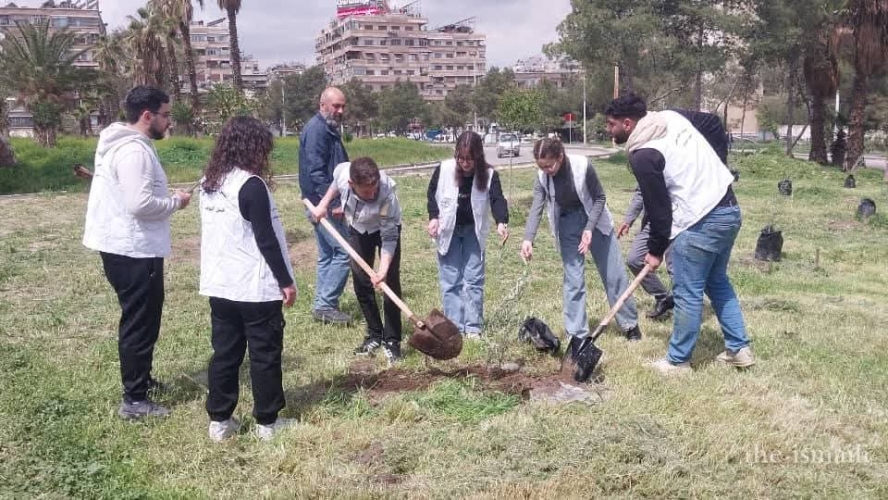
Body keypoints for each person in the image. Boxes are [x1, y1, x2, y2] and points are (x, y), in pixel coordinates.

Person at [604, 93, 754, 375]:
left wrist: (655, 251)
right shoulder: (671, 116)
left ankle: (678, 361)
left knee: (687, 293)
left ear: (627, 123)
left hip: (700, 221)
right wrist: (717, 169)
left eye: (611, 125)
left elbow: (660, 211)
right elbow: (712, 122)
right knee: (718, 282)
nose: (607, 130)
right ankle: (739, 349)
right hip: (729, 210)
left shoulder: (643, 155)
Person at [82, 86, 191, 420]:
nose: (168, 122)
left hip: (124, 246)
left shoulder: (125, 145)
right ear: (148, 116)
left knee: (143, 318)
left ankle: (141, 380)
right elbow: (139, 204)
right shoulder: (134, 152)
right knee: (140, 323)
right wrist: (176, 202)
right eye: (166, 115)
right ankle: (135, 400)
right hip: (132, 250)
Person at [198, 117, 297, 442]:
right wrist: (285, 280)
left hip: (220, 284)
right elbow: (266, 239)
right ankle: (267, 423)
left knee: (225, 353)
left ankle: (220, 420)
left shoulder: (209, 183)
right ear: (254, 148)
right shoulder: (252, 185)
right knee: (264, 353)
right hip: (254, 286)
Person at [521, 138, 642, 357]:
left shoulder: (582, 165)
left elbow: (600, 198)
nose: (546, 171)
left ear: (560, 156)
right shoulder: (542, 177)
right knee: (573, 280)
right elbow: (536, 206)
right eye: (541, 167)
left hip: (594, 220)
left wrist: (589, 228)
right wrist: (528, 238)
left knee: (613, 275)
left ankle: (630, 325)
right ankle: (578, 334)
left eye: (549, 165)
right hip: (568, 224)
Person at [616, 109, 731, 321]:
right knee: (634, 259)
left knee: (676, 268)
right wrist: (629, 219)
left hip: (681, 217)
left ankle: (683, 315)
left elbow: (713, 123)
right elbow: (642, 191)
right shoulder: (647, 153)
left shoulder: (675, 144)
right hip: (656, 221)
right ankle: (664, 297)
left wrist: (720, 163)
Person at [310, 157, 405, 363]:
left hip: (386, 229)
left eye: (374, 188)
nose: (372, 194)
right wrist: (323, 205)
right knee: (361, 280)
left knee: (390, 281)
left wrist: (382, 271)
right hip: (359, 228)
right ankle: (374, 334)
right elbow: (335, 185)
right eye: (366, 191)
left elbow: (389, 238)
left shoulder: (386, 194)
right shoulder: (344, 174)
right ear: (352, 184)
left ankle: (392, 340)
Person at [426, 131, 509, 339]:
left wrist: (501, 222)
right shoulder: (444, 169)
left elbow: (497, 199)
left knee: (473, 280)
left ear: (478, 157)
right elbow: (432, 194)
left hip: (473, 230)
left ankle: (473, 327)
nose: (464, 163)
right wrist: (434, 217)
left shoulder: (489, 175)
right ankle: (454, 327)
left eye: (469, 159)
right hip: (449, 230)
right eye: (460, 158)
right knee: (450, 280)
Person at [299, 87, 351, 325]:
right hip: (323, 202)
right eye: (335, 106)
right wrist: (334, 202)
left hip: (322, 201)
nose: (340, 111)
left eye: (342, 106)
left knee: (328, 254)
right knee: (344, 251)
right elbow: (316, 172)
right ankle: (326, 304)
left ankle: (323, 302)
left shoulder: (328, 128)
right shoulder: (318, 131)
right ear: (323, 105)